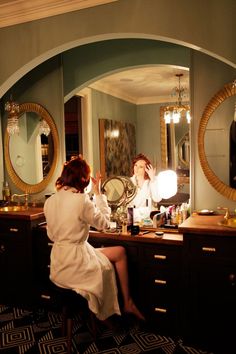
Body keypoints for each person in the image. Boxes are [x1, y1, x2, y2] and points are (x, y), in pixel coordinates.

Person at [44, 155, 145, 322]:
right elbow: (104, 224)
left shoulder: (51, 201)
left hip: (58, 267)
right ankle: (126, 303)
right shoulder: (81, 200)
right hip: (76, 265)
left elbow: (52, 234)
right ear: (83, 178)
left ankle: (118, 307)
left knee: (112, 254)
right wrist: (98, 194)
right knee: (119, 252)